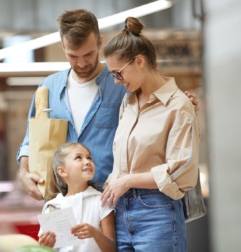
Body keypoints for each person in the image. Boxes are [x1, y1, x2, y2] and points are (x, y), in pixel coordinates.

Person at [16, 9, 199, 200]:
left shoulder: (124, 85)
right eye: (73, 56)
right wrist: (23, 172)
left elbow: (161, 113)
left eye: (88, 54)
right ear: (62, 46)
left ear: (100, 43)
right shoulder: (47, 89)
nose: (81, 63)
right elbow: (30, 141)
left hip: (112, 201)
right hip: (63, 202)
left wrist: (184, 103)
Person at [100, 17, 200, 251]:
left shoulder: (179, 105)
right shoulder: (128, 103)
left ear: (139, 61)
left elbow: (182, 170)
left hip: (157, 213)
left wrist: (126, 181)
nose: (116, 82)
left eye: (118, 73)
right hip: (121, 211)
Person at [38, 142, 116, 252]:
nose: (88, 162)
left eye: (89, 157)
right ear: (62, 171)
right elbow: (45, 248)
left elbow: (112, 249)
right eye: (78, 157)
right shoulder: (52, 206)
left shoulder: (102, 201)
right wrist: (44, 246)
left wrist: (95, 233)